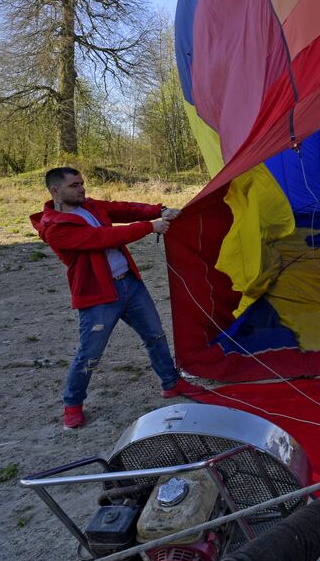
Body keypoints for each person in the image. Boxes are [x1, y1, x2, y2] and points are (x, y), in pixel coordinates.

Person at [31, 167, 199, 429]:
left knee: (155, 335)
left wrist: (158, 210)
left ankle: (171, 383)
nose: (82, 188)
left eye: (82, 183)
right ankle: (72, 405)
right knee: (90, 353)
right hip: (98, 295)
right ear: (55, 191)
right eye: (74, 185)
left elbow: (124, 209)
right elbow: (103, 238)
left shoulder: (91, 206)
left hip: (129, 285)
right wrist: (149, 226)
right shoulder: (55, 228)